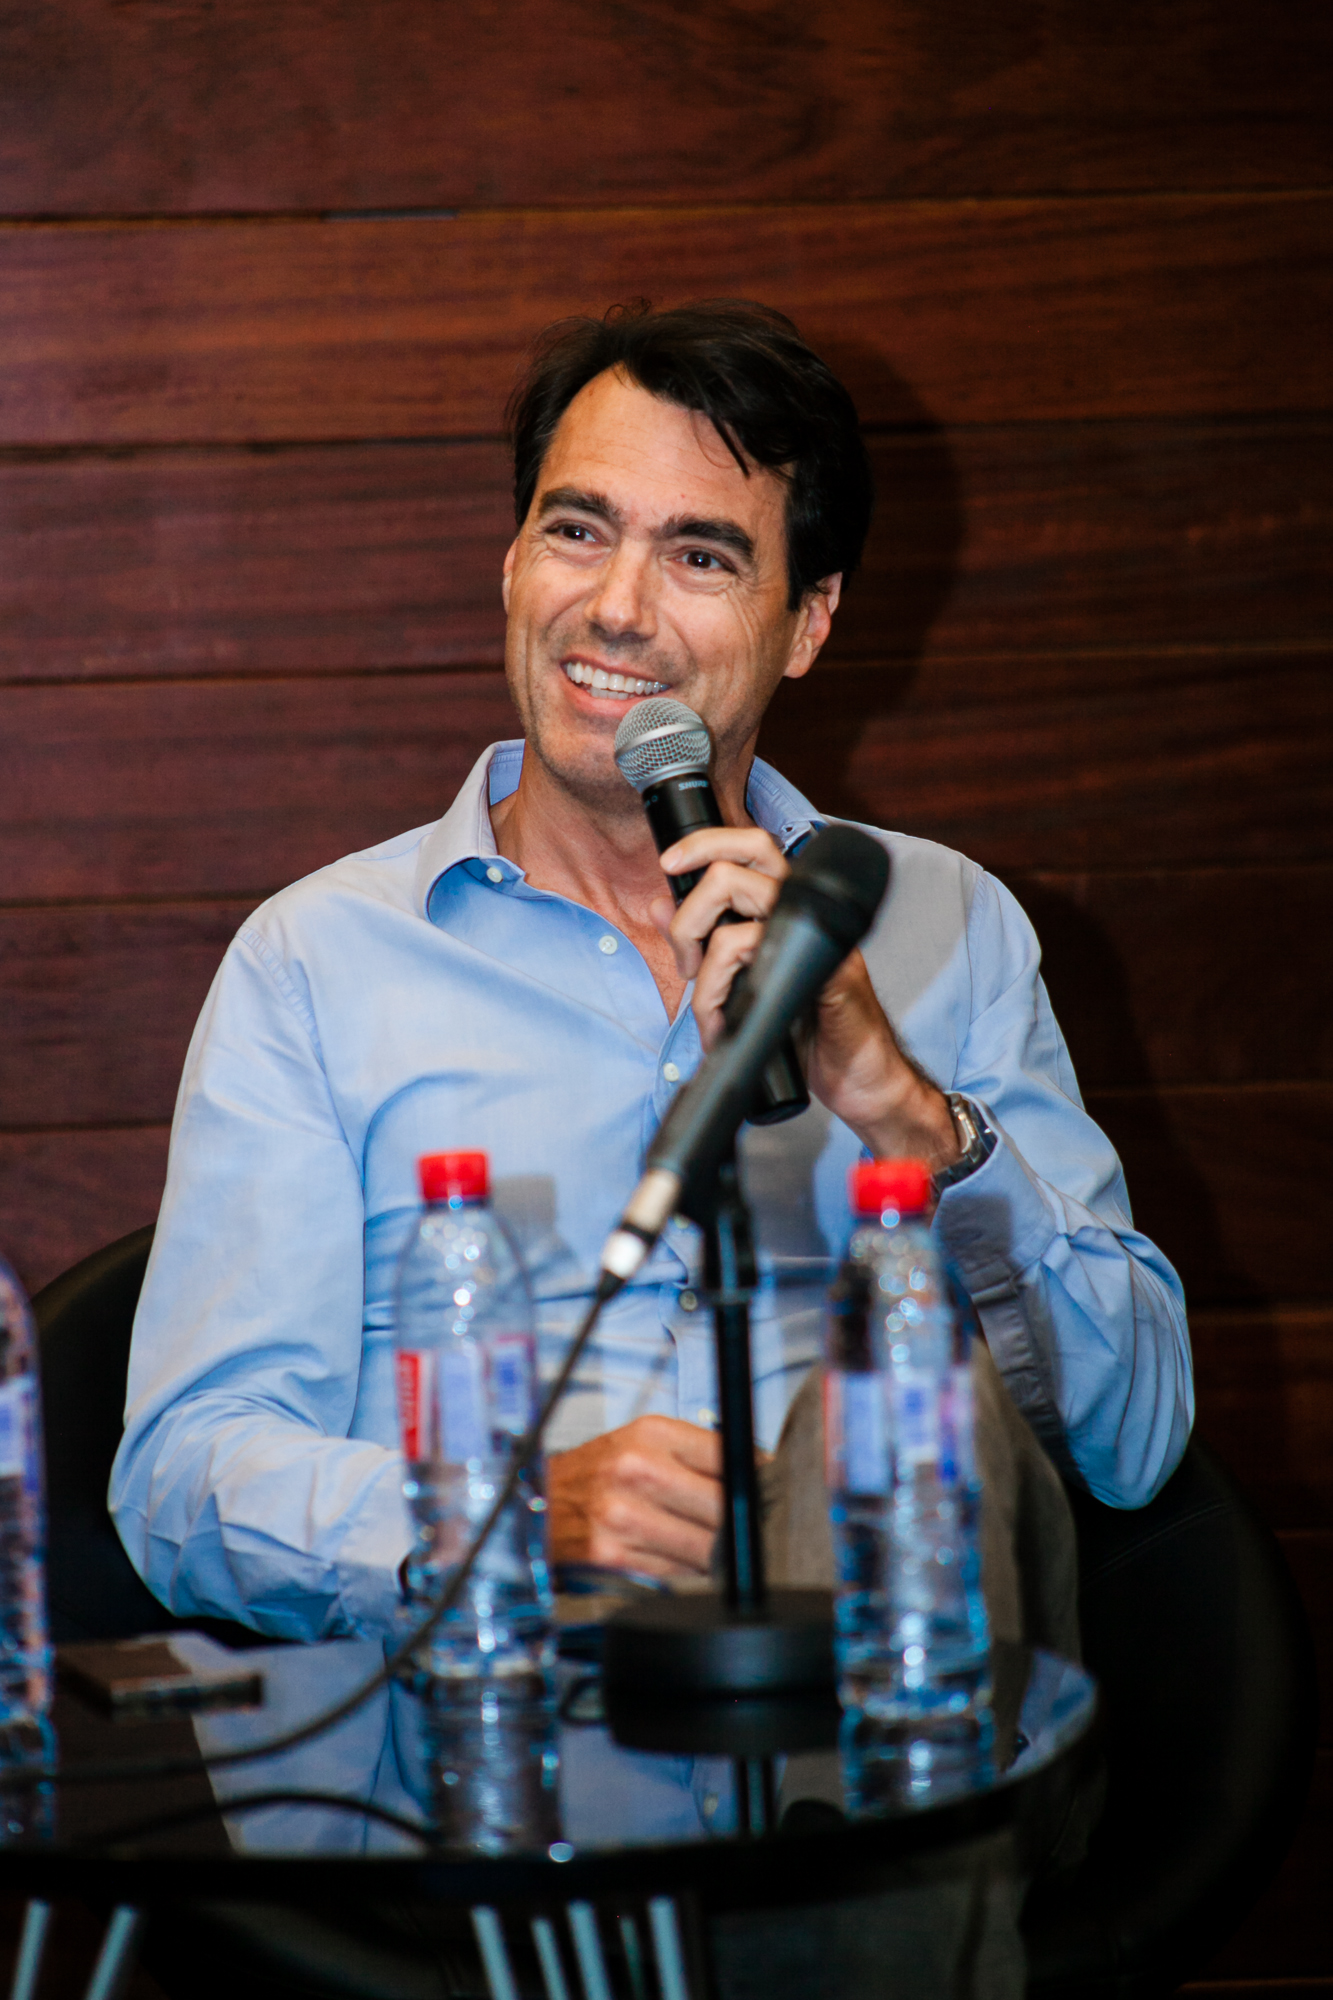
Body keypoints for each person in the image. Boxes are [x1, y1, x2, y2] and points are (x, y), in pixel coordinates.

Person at [110, 300, 1193, 1646]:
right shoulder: (318, 963)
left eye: (699, 555)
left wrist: (902, 1110)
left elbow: (1135, 1436)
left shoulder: (946, 926)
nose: (616, 609)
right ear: (513, 563)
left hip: (871, 1697)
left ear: (806, 621)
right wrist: (511, 1519)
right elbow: (184, 1480)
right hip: (496, 1710)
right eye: (577, 531)